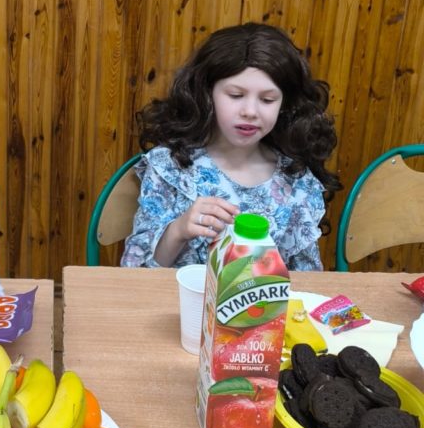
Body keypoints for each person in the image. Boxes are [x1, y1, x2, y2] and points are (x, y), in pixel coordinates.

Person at [121, 22, 340, 270]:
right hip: (175, 296)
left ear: (285, 104)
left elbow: (307, 279)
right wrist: (178, 231)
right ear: (206, 93)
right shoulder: (170, 168)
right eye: (235, 95)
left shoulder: (296, 181)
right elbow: (134, 271)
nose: (250, 111)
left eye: (267, 99)